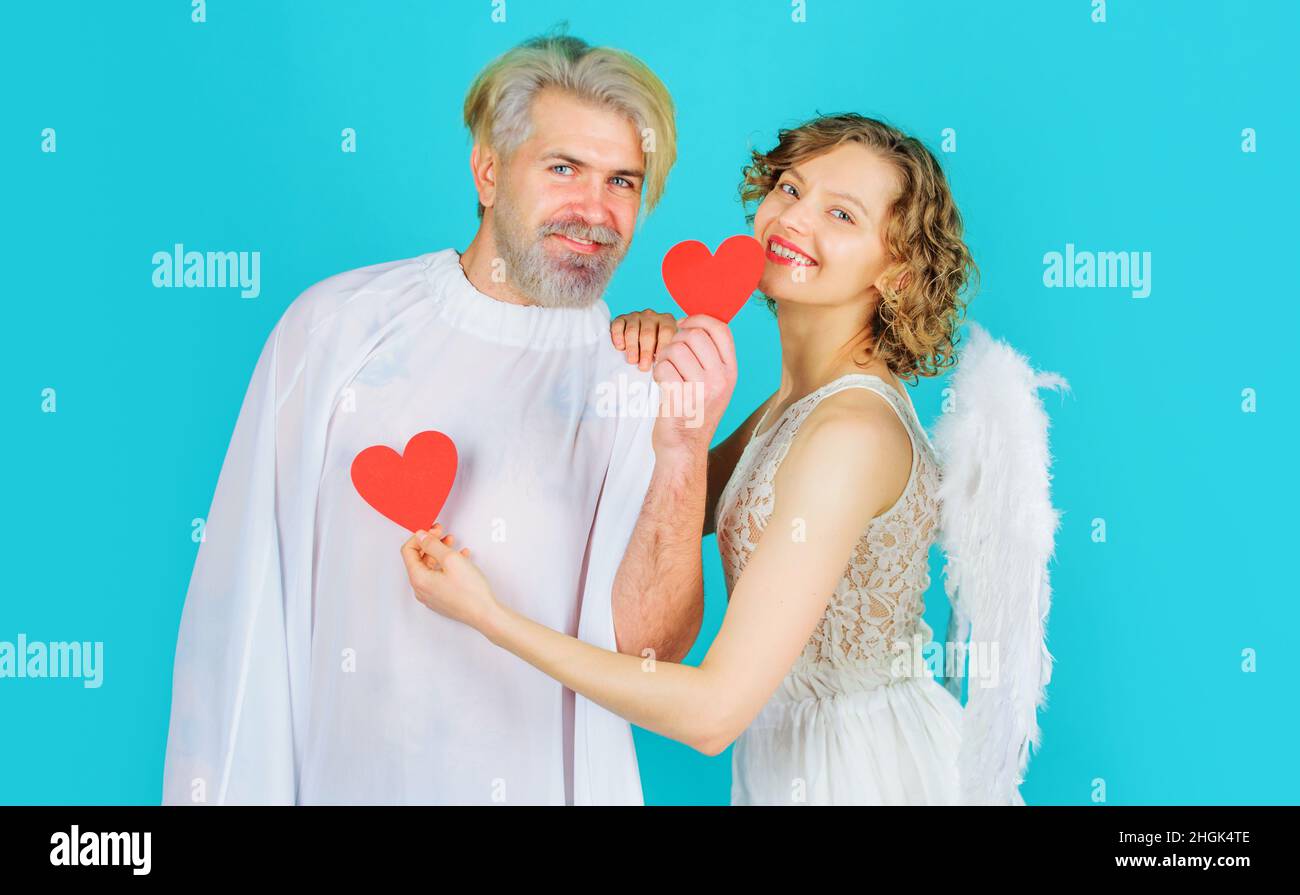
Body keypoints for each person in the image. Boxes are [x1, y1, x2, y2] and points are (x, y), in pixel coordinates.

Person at [161, 33, 717, 806]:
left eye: (622, 180)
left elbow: (651, 651)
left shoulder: (639, 381)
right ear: (489, 171)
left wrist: (684, 450)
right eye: (564, 168)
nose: (595, 210)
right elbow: (243, 612)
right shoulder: (336, 329)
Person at [402, 112, 980, 805]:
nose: (795, 220)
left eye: (842, 214)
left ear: (897, 273)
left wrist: (490, 617)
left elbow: (712, 714)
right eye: (791, 190)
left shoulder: (848, 432)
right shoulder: (795, 402)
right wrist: (636, 373)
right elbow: (651, 506)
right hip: (795, 761)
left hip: (864, 775)